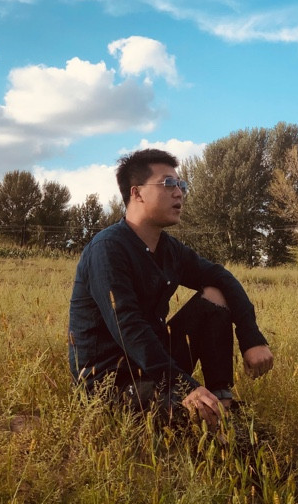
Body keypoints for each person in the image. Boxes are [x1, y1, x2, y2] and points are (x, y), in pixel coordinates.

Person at [68, 148, 273, 429]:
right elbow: (128, 328)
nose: (179, 193)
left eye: (181, 185)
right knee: (194, 423)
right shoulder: (108, 249)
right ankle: (215, 420)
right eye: (168, 183)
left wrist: (252, 337)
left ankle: (222, 401)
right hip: (112, 384)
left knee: (215, 294)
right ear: (137, 193)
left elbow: (222, 277)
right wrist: (185, 385)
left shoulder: (169, 249)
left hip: (153, 368)